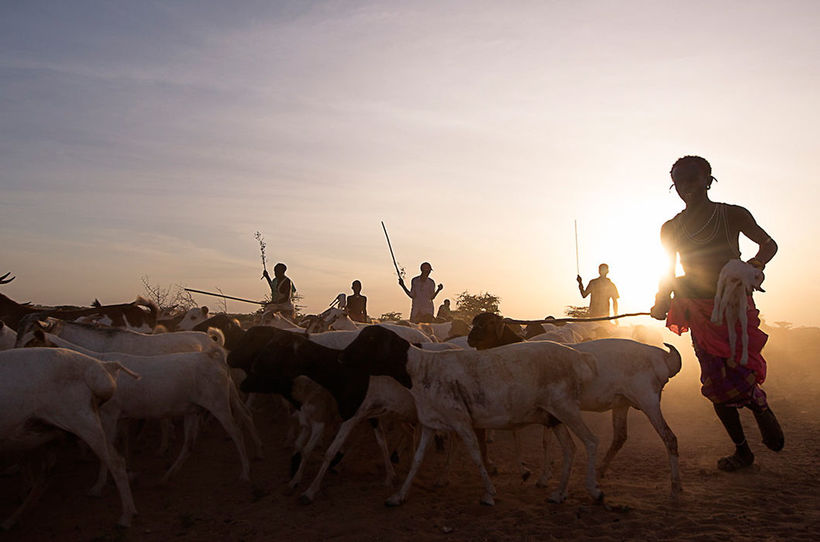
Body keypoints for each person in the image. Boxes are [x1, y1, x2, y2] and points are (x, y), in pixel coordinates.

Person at [650, 155, 783, 472]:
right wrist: (660, 299)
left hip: (733, 307)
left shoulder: (733, 215)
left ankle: (758, 404)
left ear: (708, 180)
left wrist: (754, 265)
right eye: (680, 183)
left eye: (692, 180)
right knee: (714, 384)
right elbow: (667, 270)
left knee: (740, 369)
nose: (687, 188)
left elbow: (769, 244)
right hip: (696, 309)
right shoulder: (671, 228)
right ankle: (742, 451)